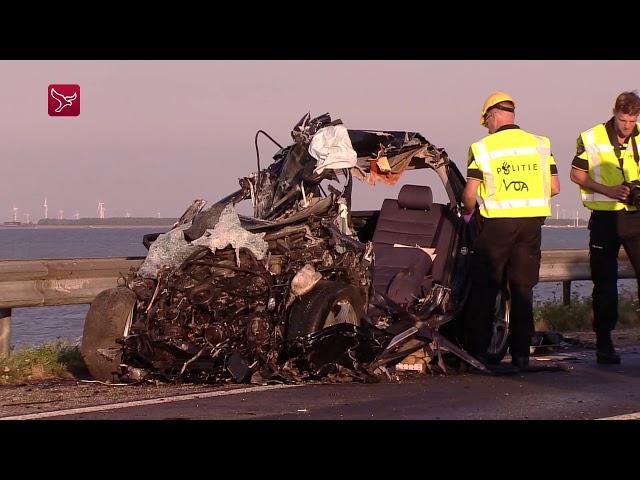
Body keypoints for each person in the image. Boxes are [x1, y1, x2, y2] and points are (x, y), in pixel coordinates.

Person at [462, 92, 560, 370]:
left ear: (493, 115)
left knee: (485, 288)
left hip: (497, 225)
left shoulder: (482, 148)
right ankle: (520, 357)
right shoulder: (541, 144)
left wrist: (469, 211)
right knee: (522, 289)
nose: (487, 127)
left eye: (487, 122)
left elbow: (470, 194)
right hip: (531, 224)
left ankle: (477, 354)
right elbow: (554, 187)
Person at [569, 90, 640, 364]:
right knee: (605, 282)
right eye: (624, 120)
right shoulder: (592, 137)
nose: (627, 127)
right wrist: (608, 190)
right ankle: (604, 342)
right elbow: (577, 174)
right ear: (615, 113)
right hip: (605, 217)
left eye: (633, 121)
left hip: (635, 216)